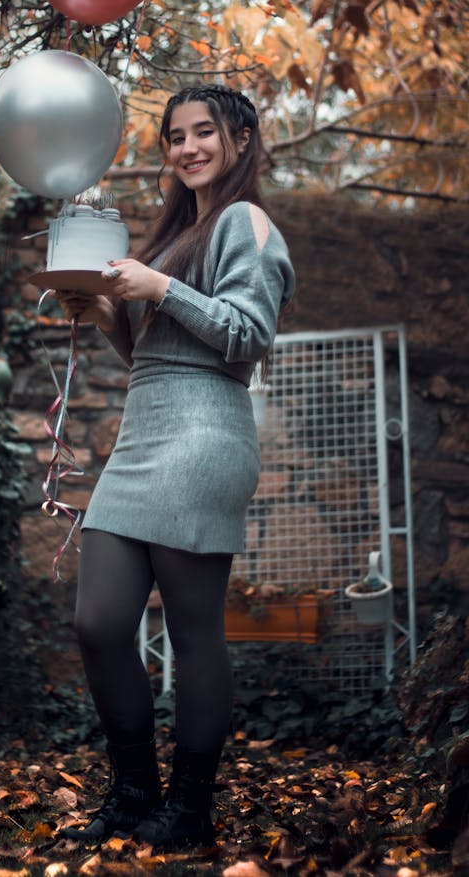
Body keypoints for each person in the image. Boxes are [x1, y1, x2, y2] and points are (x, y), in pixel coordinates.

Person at [53, 84, 295, 849]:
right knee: (98, 622)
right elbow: (155, 354)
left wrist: (158, 285)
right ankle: (133, 791)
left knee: (193, 634)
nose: (188, 148)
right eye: (174, 136)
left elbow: (246, 335)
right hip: (143, 430)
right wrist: (108, 316)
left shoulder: (245, 223)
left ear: (242, 140)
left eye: (204, 133)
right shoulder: (175, 229)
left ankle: (188, 809)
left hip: (204, 435)